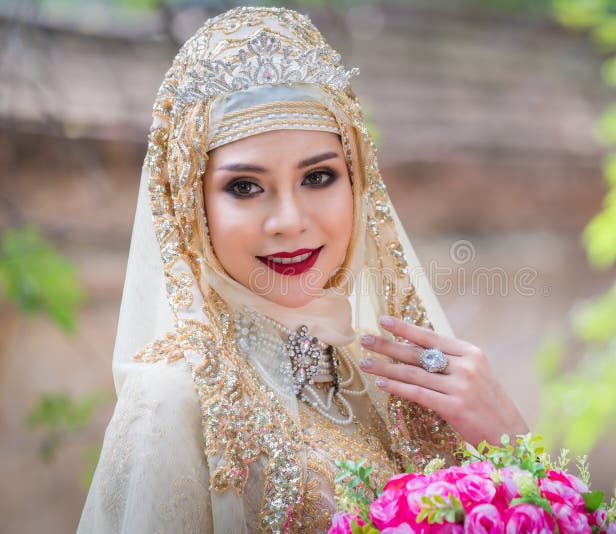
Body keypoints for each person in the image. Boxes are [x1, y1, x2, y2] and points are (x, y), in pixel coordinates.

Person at [78, 6, 528, 533]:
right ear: (190, 206)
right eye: (244, 187)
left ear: (358, 183)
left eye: (318, 177)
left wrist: (511, 443)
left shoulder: (379, 381)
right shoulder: (174, 402)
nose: (289, 222)